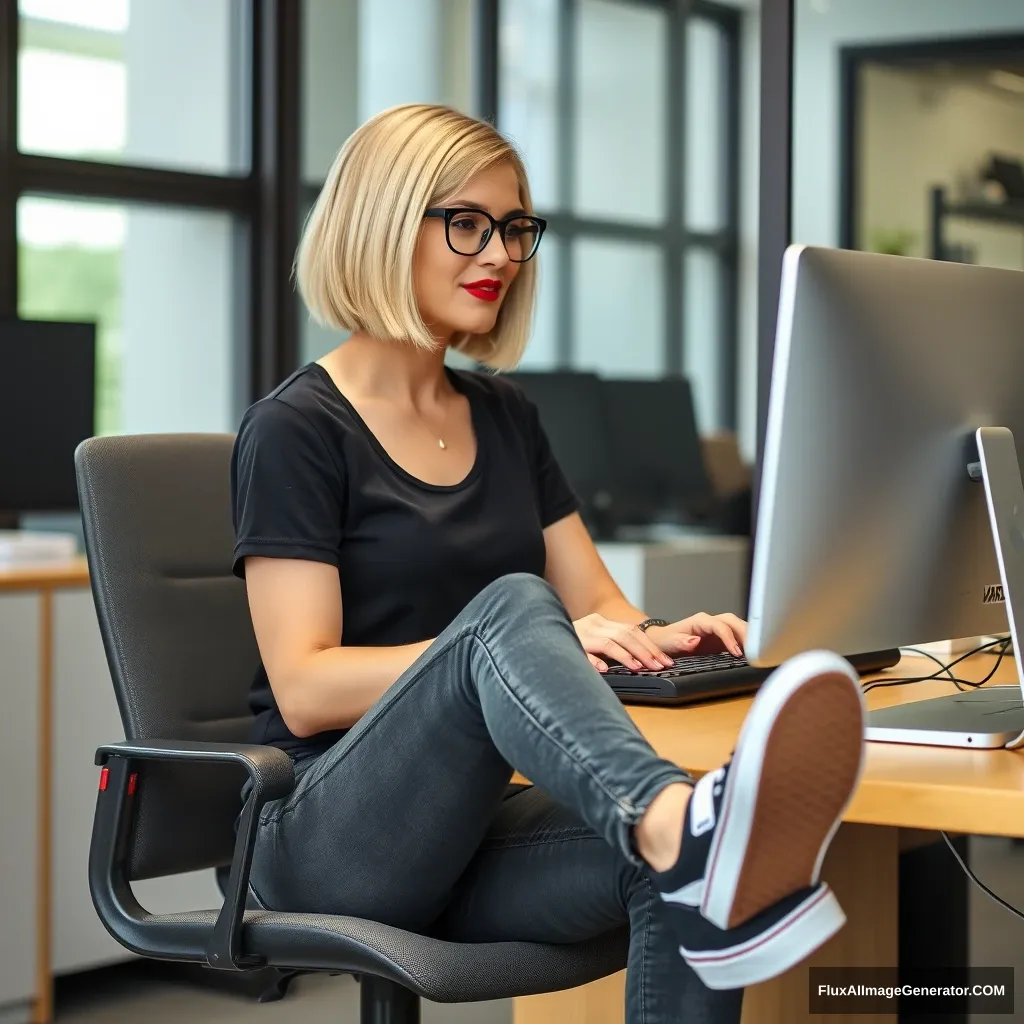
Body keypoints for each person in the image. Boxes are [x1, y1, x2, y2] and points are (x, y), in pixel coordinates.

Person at [230, 103, 866, 1023]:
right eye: (466, 223)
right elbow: (304, 687)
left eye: (515, 229)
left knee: (689, 878)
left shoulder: (505, 416)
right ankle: (671, 823)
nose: (498, 254)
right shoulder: (295, 429)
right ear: (378, 221)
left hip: (470, 827)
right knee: (513, 613)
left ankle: (679, 842)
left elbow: (601, 607)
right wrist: (508, 644)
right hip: (324, 834)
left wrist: (662, 636)